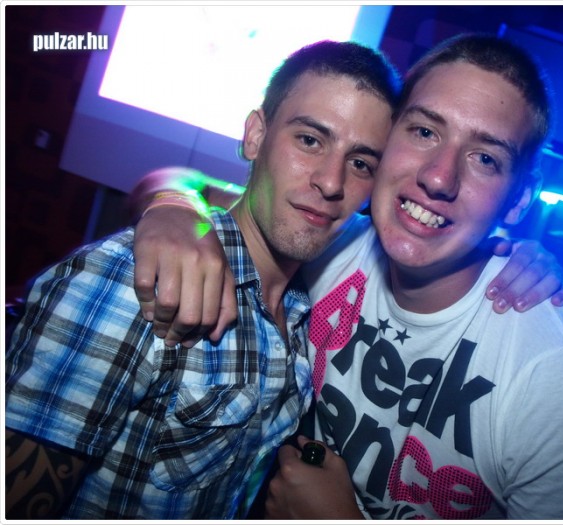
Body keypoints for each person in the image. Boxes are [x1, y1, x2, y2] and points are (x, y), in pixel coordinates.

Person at [131, 34, 563, 520]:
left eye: (485, 158)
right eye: (424, 131)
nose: (439, 176)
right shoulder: (332, 241)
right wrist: (174, 209)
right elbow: (181, 183)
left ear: (519, 200)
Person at [4, 40, 401, 519]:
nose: (332, 182)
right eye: (309, 140)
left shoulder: (302, 309)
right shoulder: (138, 281)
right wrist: (172, 203)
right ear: (255, 135)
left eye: (360, 164)